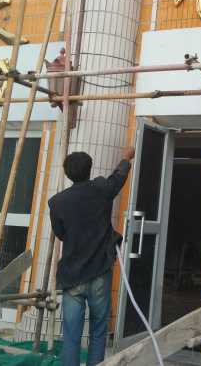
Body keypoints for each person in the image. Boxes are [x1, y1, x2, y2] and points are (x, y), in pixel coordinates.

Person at [49, 147, 135, 366]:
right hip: (99, 272)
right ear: (89, 169)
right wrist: (126, 158)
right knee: (98, 329)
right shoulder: (100, 189)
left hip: (72, 276)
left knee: (71, 335)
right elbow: (118, 178)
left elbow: (60, 234)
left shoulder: (57, 202)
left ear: (68, 173)